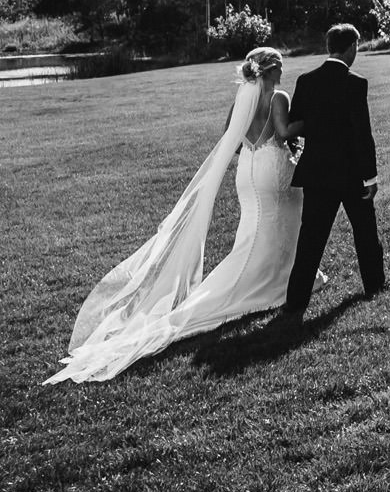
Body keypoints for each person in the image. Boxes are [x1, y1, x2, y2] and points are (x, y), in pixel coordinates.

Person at [49, 46, 310, 381]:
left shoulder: (242, 98)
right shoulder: (278, 98)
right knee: (275, 228)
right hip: (271, 167)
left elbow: (228, 138)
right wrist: (309, 121)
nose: (283, 73)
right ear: (272, 70)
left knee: (254, 231)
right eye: (281, 67)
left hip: (246, 168)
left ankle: (281, 275)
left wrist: (251, 152)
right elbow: (285, 132)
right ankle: (273, 281)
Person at [276, 26, 390, 331]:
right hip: (352, 174)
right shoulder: (355, 83)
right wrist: (371, 177)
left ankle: (295, 302)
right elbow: (361, 135)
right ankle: (375, 285)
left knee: (310, 240)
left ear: (329, 46)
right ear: (351, 46)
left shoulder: (306, 80)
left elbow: (297, 123)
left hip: (317, 173)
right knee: (365, 232)